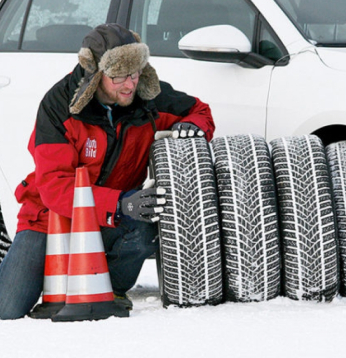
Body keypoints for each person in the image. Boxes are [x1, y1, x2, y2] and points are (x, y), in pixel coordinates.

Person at [0, 23, 215, 319]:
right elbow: (53, 186)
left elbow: (200, 111)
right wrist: (118, 203)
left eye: (135, 72)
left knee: (146, 229)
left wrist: (193, 127)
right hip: (50, 219)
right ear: (96, 74)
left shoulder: (149, 97)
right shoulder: (59, 106)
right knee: (6, 309)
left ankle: (110, 290)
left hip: (115, 219)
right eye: (118, 76)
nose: (129, 84)